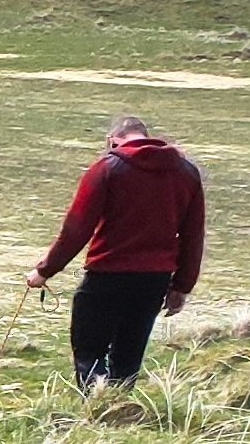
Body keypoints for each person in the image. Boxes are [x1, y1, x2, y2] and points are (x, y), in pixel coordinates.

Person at [29, 114, 207, 390]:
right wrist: (182, 286)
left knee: (89, 351)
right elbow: (193, 234)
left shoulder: (107, 168)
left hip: (107, 273)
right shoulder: (186, 172)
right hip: (154, 279)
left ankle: (97, 408)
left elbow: (77, 228)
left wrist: (45, 270)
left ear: (113, 140)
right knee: (128, 355)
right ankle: (119, 410)